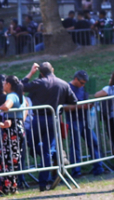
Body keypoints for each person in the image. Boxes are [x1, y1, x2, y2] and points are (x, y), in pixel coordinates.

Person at [21, 61, 78, 191]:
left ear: (41, 72)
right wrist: (60, 103)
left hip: (39, 119)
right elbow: (73, 101)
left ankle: (45, 156)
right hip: (53, 119)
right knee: (46, 150)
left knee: (32, 143)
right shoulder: (63, 83)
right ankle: (44, 179)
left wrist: (30, 73)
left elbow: (21, 86)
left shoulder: (39, 83)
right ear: (52, 69)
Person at [65, 70, 106, 178]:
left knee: (94, 142)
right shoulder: (67, 88)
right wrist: (81, 106)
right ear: (76, 79)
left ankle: (98, 167)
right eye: (82, 83)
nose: (83, 85)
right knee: (75, 146)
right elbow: (64, 107)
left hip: (85, 119)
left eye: (84, 83)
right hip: (74, 120)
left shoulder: (84, 88)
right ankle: (76, 171)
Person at [0, 74, 26, 195]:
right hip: (18, 128)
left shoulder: (11, 95)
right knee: (12, 158)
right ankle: (12, 186)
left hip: (11, 130)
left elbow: (6, 106)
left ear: (9, 85)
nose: (3, 85)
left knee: (7, 159)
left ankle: (7, 187)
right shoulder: (21, 96)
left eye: (5, 83)